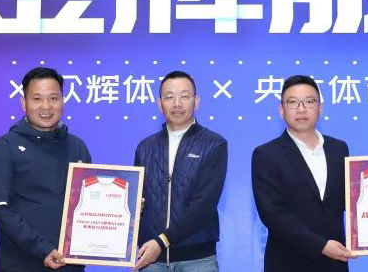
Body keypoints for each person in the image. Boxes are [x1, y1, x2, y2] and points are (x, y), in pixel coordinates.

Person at [0, 67, 94, 271]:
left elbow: (89, 203)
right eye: (37, 99)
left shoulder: (77, 147)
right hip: (21, 264)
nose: (46, 106)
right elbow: (0, 208)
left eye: (53, 98)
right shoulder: (3, 148)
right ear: (23, 103)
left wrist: (126, 208)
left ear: (62, 101)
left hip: (70, 264)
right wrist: (42, 249)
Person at [251, 75, 352, 272]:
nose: (301, 108)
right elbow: (272, 213)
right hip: (288, 262)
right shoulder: (266, 154)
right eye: (293, 102)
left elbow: (347, 199)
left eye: (309, 101)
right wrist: (320, 246)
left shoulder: (339, 149)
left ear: (320, 108)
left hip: (335, 262)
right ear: (281, 110)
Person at [130, 71, 228, 271]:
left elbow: (203, 205)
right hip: (151, 259)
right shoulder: (145, 147)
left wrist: (162, 241)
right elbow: (137, 199)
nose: (177, 104)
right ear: (160, 104)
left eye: (184, 96)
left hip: (197, 260)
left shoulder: (214, 144)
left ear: (196, 102)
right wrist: (133, 206)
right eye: (169, 97)